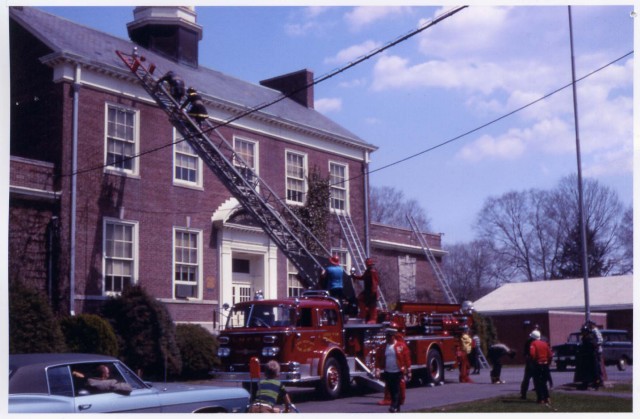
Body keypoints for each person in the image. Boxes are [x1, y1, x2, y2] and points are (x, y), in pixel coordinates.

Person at [375, 325, 411, 413]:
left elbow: (407, 359)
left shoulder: (401, 346)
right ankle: (397, 408)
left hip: (398, 372)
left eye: (389, 336)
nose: (387, 338)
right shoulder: (383, 347)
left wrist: (409, 370)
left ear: (393, 336)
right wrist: (378, 369)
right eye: (386, 336)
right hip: (388, 372)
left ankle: (393, 406)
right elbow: (378, 359)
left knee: (396, 390)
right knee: (391, 390)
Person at [351, 258, 379, 323]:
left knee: (372, 305)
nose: (367, 265)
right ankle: (363, 314)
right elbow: (363, 277)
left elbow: (375, 282)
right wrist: (355, 277)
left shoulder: (372, 271)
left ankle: (373, 319)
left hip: (371, 291)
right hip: (368, 291)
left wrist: (373, 292)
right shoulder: (368, 271)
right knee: (360, 299)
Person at [529, 330, 553, 405]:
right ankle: (547, 398)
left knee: (537, 383)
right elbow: (550, 355)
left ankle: (540, 399)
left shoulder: (533, 343)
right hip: (545, 365)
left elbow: (532, 354)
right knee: (544, 383)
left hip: (537, 365)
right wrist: (548, 363)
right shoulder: (545, 344)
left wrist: (532, 361)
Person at [520, 330, 537, 400]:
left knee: (527, 379)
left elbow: (525, 353)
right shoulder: (540, 342)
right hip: (535, 363)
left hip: (531, 363)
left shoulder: (529, 342)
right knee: (535, 379)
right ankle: (540, 396)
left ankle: (523, 394)